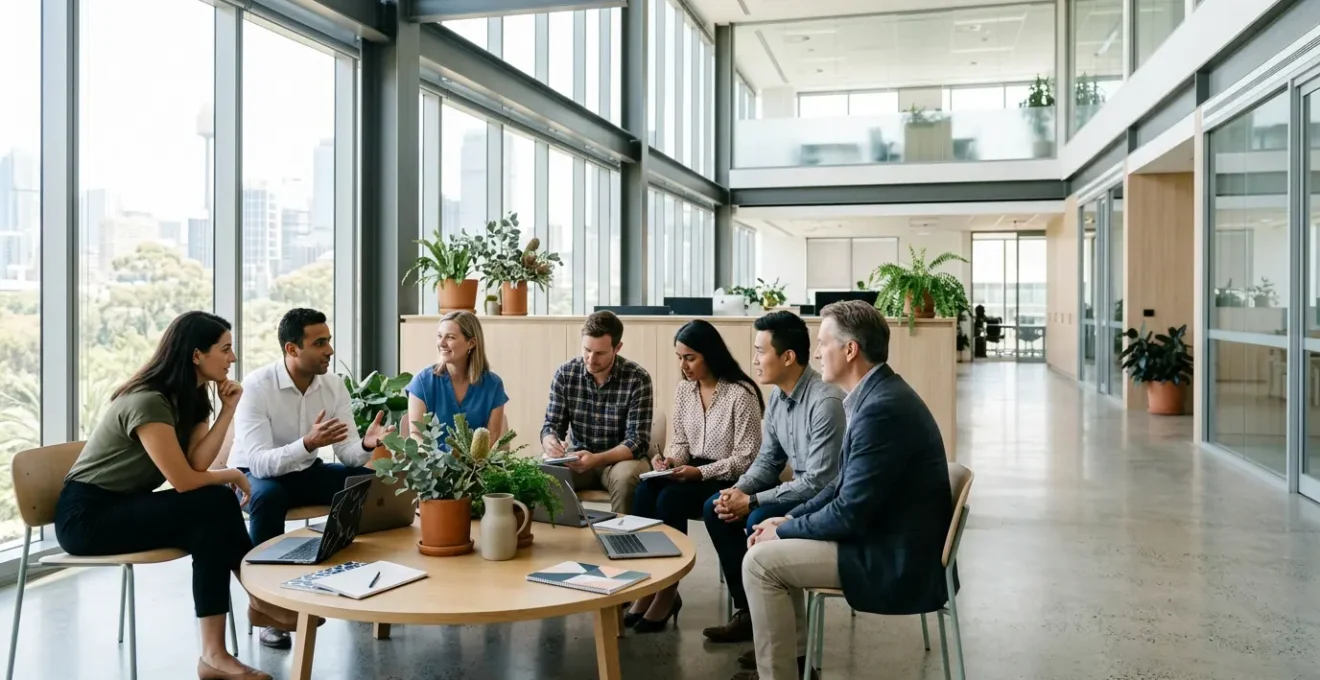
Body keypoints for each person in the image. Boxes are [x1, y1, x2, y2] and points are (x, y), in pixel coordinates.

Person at [54, 311, 308, 680]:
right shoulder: (148, 401)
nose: (232, 358)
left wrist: (228, 410)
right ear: (196, 355)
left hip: (124, 505)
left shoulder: (191, 399)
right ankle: (261, 599)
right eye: (225, 349)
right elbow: (185, 481)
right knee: (215, 501)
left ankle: (214, 656)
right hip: (86, 517)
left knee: (206, 529)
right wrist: (235, 474)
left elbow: (198, 464)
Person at [734, 301, 954, 680]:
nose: (817, 353)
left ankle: (782, 673)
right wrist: (789, 517)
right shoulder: (877, 395)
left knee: (759, 562)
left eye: (823, 343)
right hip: (886, 535)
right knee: (769, 544)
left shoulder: (879, 409)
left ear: (850, 350)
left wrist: (783, 529)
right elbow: (840, 484)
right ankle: (796, 665)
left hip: (893, 555)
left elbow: (850, 512)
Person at [228, 308, 393, 649]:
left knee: (365, 481)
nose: (330, 350)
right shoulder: (257, 388)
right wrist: (308, 443)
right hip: (252, 476)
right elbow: (259, 464)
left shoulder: (333, 386)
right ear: (292, 349)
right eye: (320, 343)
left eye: (329, 341)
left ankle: (366, 581)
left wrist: (365, 443)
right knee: (268, 497)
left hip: (304, 470)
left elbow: (347, 453)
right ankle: (270, 609)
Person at [701, 311, 846, 645]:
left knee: (758, 518)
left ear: (788, 357)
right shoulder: (779, 396)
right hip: (800, 491)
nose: (754, 360)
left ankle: (776, 635)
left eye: (760, 351)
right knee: (715, 507)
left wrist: (751, 501)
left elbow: (819, 482)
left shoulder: (825, 402)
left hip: (824, 501)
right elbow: (768, 460)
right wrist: (737, 491)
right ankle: (749, 614)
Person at [626, 320, 765, 633]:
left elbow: (746, 458)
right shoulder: (684, 390)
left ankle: (668, 590)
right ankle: (649, 582)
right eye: (679, 357)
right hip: (691, 470)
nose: (683, 365)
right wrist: (670, 460)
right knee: (646, 492)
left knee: (670, 499)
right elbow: (682, 443)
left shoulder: (740, 393)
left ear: (710, 354)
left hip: (727, 475)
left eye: (690, 357)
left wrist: (699, 473)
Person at [540, 310, 654, 514]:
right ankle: (563, 539)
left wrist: (596, 459)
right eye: (587, 350)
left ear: (617, 348)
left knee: (625, 478)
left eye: (600, 353)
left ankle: (621, 540)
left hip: (621, 460)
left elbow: (637, 442)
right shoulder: (566, 374)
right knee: (542, 471)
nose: (591, 359)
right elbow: (551, 425)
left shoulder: (637, 378)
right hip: (578, 458)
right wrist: (550, 442)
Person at [406, 310, 508, 440]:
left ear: (471, 343)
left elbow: (491, 437)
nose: (441, 343)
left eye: (450, 337)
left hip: (476, 460)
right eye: (439, 336)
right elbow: (416, 434)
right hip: (430, 460)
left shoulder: (493, 385)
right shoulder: (422, 382)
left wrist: (471, 460)